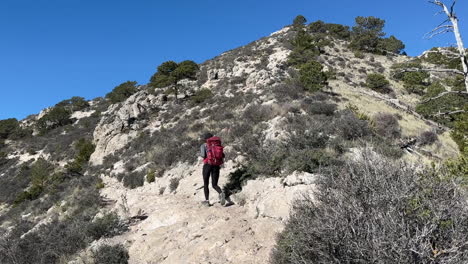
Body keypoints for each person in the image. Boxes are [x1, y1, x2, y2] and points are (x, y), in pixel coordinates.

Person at [199, 132, 225, 206]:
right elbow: (222, 155)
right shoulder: (217, 144)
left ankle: (207, 201)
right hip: (216, 165)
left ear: (205, 139)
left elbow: (203, 155)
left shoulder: (204, 145)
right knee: (214, 184)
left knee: (206, 183)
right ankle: (221, 193)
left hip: (207, 165)